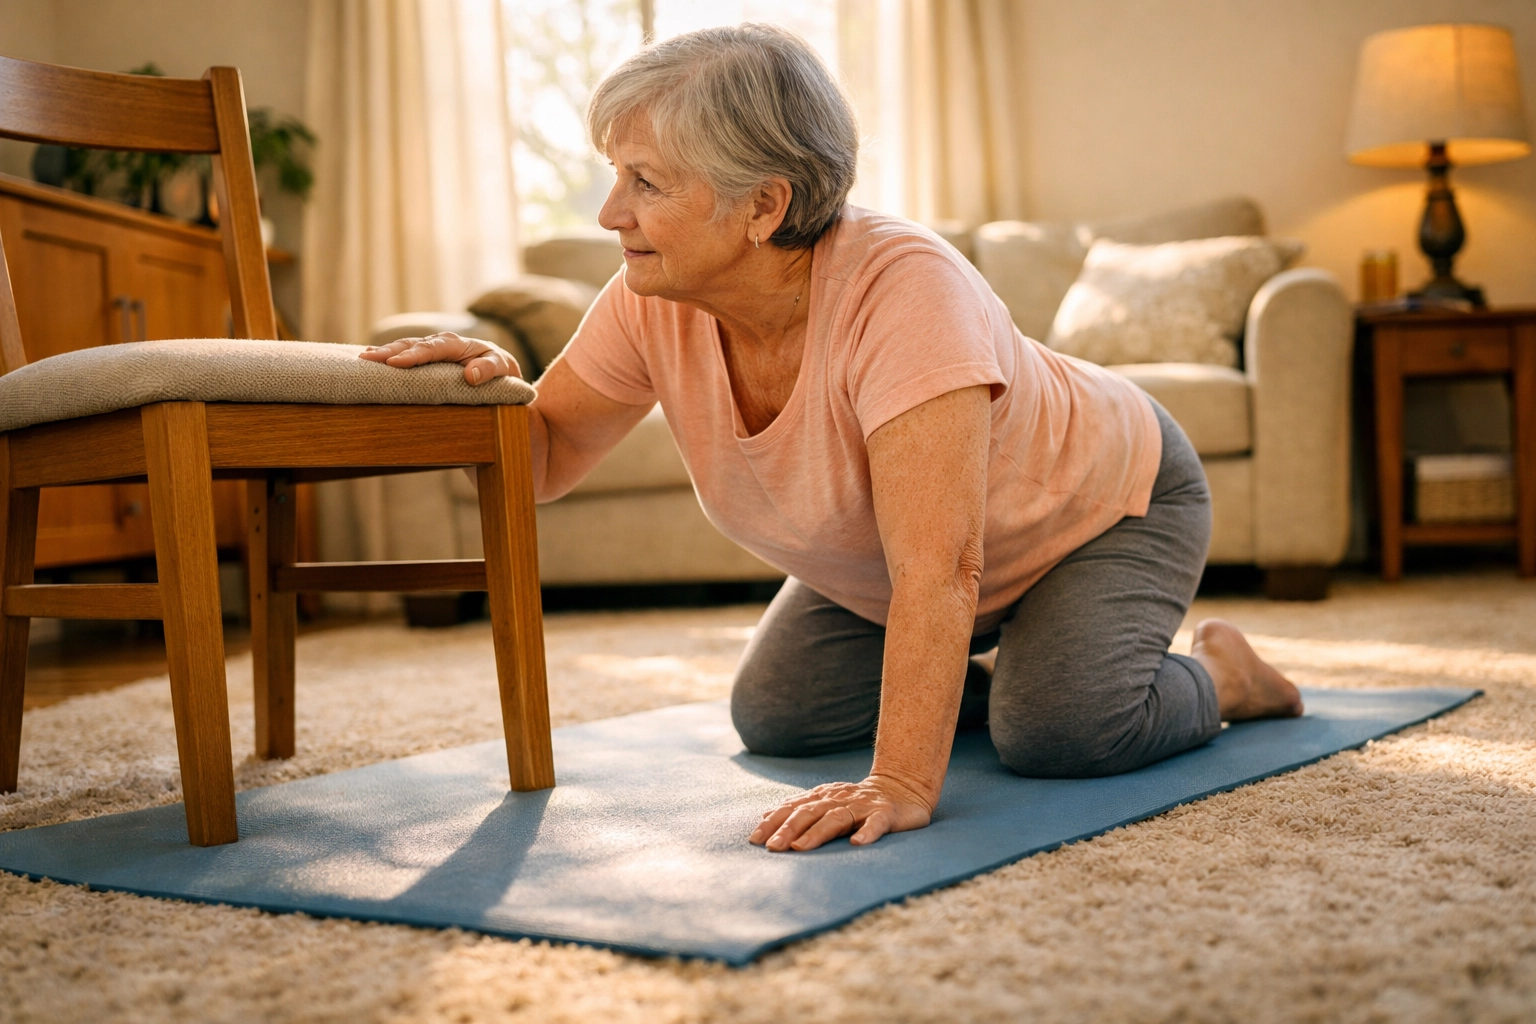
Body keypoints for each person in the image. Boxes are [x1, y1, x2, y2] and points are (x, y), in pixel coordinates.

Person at [362, 24, 1302, 854]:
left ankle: (1224, 674)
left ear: (764, 207)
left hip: (1103, 505)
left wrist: (899, 782)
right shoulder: (653, 298)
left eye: (645, 182)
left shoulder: (907, 292)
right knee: (779, 716)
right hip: (907, 565)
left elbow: (941, 569)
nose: (611, 213)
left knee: (1060, 736)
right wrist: (475, 406)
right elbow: (547, 459)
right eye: (616, 175)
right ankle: (1034, 671)